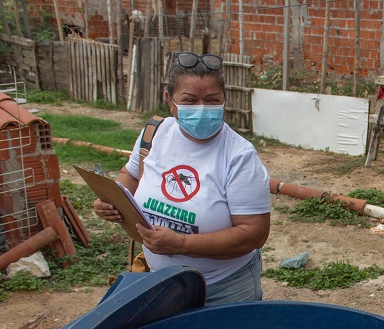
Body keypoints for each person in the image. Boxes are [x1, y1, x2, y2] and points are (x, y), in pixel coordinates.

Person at [94, 52, 271, 305]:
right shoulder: (154, 133)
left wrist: (180, 244)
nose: (201, 109)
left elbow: (254, 234)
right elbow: (130, 175)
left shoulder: (239, 156)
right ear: (170, 100)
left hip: (224, 289)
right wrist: (111, 199)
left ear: (224, 100)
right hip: (162, 282)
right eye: (189, 100)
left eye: (212, 100)